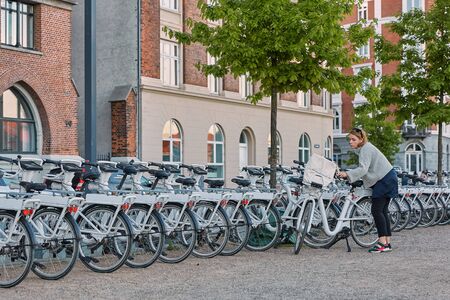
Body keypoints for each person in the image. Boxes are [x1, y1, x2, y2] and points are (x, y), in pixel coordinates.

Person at [337, 128, 398, 253]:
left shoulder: (366, 149)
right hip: (388, 177)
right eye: (350, 139)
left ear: (361, 139)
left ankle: (382, 243)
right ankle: (387, 243)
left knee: (376, 211)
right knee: (382, 211)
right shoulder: (366, 148)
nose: (350, 142)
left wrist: (347, 174)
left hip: (384, 179)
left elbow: (363, 169)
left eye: (353, 139)